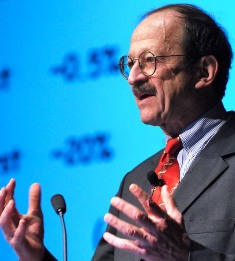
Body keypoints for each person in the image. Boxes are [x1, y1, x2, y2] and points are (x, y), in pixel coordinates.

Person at [0, 3, 235, 261]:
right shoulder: (134, 182)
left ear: (205, 71)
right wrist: (37, 257)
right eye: (131, 63)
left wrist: (187, 255)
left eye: (149, 61)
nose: (133, 78)